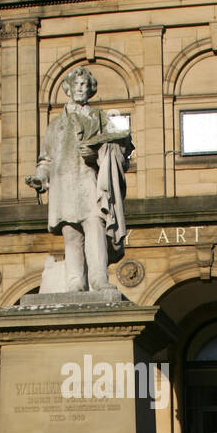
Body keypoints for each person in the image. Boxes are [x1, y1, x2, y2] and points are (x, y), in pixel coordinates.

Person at [26, 66, 133, 292]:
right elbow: (46, 159)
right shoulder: (55, 125)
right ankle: (75, 281)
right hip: (64, 186)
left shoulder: (101, 118)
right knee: (71, 234)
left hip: (91, 183)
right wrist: (39, 179)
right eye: (76, 85)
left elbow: (124, 148)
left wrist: (97, 153)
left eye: (85, 85)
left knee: (95, 227)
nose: (80, 89)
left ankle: (98, 278)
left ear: (91, 89)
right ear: (68, 88)